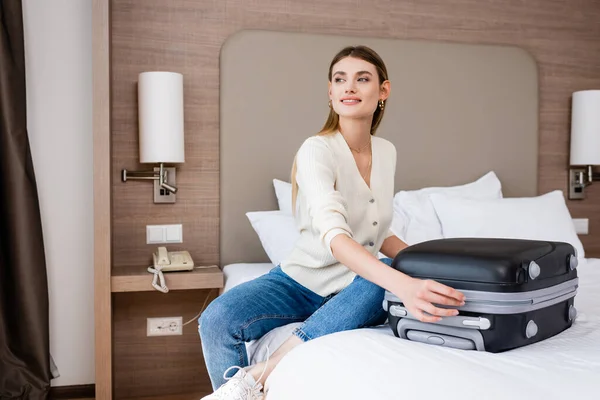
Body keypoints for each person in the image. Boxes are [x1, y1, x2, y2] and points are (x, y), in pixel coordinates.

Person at [198, 45, 466, 400]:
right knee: (216, 320)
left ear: (383, 91)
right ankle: (237, 392)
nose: (349, 87)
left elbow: (376, 228)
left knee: (382, 274)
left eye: (362, 79)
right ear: (330, 93)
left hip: (356, 287)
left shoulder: (387, 152)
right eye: (340, 79)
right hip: (297, 282)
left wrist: (426, 262)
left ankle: (264, 371)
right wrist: (403, 285)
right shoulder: (316, 150)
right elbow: (335, 238)